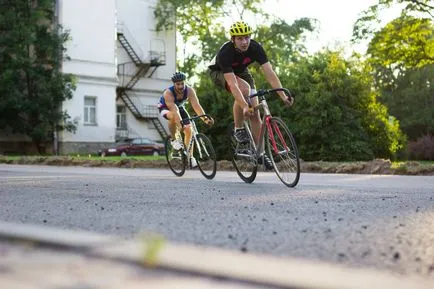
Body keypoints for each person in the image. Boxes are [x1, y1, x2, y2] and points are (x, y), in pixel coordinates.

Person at [208, 21, 294, 170]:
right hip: (219, 72)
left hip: (242, 73)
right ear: (233, 39)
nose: (244, 42)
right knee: (244, 90)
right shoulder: (226, 52)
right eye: (240, 38)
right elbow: (234, 85)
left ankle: (259, 153)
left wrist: (283, 97)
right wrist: (244, 106)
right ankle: (239, 129)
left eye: (247, 37)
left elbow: (270, 73)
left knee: (256, 113)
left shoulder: (255, 48)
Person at [158, 72, 214, 167]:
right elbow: (174, 111)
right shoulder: (168, 93)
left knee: (189, 130)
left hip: (179, 108)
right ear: (174, 84)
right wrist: (180, 124)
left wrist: (205, 119)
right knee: (172, 116)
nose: (180, 86)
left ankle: (190, 157)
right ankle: (173, 140)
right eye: (178, 84)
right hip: (166, 108)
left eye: (182, 83)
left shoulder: (189, 90)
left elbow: (196, 106)